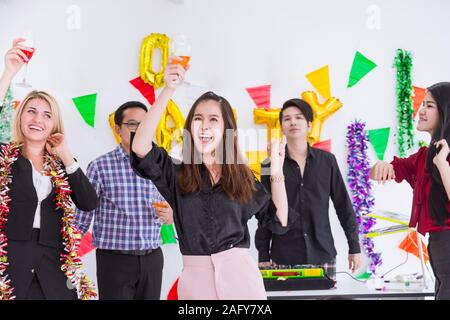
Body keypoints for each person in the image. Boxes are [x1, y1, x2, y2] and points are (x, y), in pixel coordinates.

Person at [130, 58, 289, 300]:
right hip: (196, 282)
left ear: (226, 129)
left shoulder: (241, 177)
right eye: (197, 119)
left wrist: (276, 170)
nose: (204, 126)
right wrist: (169, 89)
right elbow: (140, 146)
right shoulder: (177, 174)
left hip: (242, 280)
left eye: (213, 119)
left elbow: (280, 220)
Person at [0, 39, 97, 300]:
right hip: (12, 266)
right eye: (31, 111)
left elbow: (89, 202)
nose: (37, 120)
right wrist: (9, 73)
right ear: (20, 118)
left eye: (46, 115)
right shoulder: (5, 159)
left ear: (54, 124)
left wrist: (65, 154)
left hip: (54, 266)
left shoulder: (62, 165)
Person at [75, 101, 173, 300]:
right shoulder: (100, 166)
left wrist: (171, 215)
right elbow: (83, 215)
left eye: (145, 124)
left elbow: (175, 205)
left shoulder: (162, 164)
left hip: (152, 257)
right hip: (114, 260)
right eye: (132, 124)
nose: (140, 130)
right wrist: (65, 250)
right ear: (118, 129)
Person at [255, 98, 362, 280]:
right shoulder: (269, 164)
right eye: (287, 119)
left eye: (299, 117)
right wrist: (263, 254)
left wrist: (354, 247)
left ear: (310, 124)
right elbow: (264, 213)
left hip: (323, 253)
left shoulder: (327, 161)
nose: (293, 122)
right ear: (281, 127)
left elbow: (343, 206)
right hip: (284, 255)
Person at [370, 82, 450, 300]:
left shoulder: (442, 156)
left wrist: (443, 164)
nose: (421, 111)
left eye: (430, 105)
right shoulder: (425, 156)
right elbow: (387, 170)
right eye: (422, 104)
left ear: (445, 111)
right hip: (438, 243)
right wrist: (380, 167)